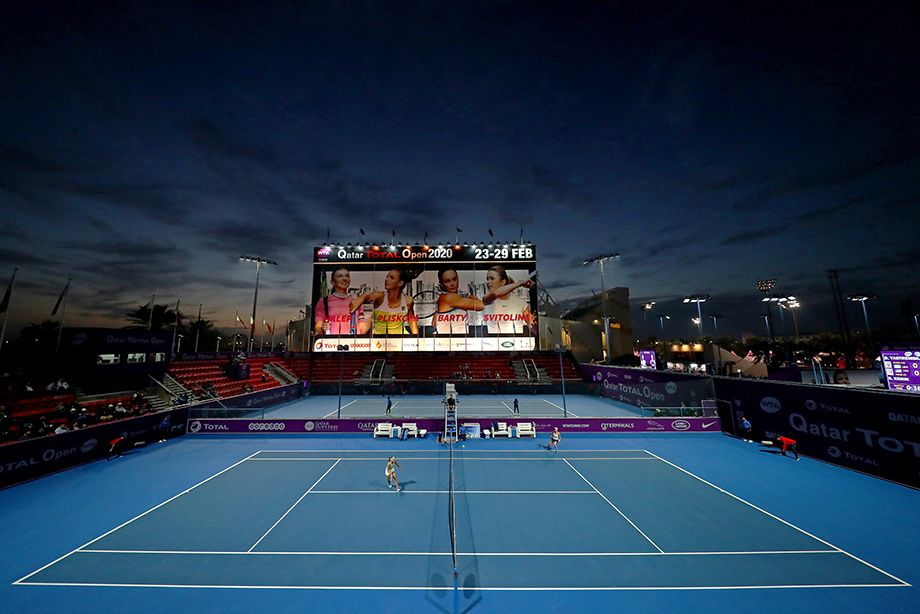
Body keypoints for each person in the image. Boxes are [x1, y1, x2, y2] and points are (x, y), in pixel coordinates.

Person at [353, 268, 420, 336]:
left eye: (392, 278)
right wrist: (361, 298)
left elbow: (412, 321)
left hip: (400, 338)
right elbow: (367, 297)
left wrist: (417, 339)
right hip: (378, 339)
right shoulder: (379, 296)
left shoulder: (408, 300)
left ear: (400, 283)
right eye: (387, 277)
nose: (387, 279)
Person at [314, 267, 371, 336]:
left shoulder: (356, 302)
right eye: (340, 276)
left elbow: (362, 330)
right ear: (332, 282)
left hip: (354, 344)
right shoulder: (323, 302)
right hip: (330, 344)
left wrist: (371, 320)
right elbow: (318, 327)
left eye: (347, 276)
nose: (344, 278)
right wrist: (322, 327)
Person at [482, 266, 536, 334]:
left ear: (503, 282)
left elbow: (533, 328)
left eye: (492, 279)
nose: (488, 282)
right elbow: (496, 293)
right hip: (492, 342)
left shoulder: (521, 303)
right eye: (487, 279)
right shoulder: (486, 300)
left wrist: (534, 321)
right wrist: (520, 283)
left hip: (516, 342)